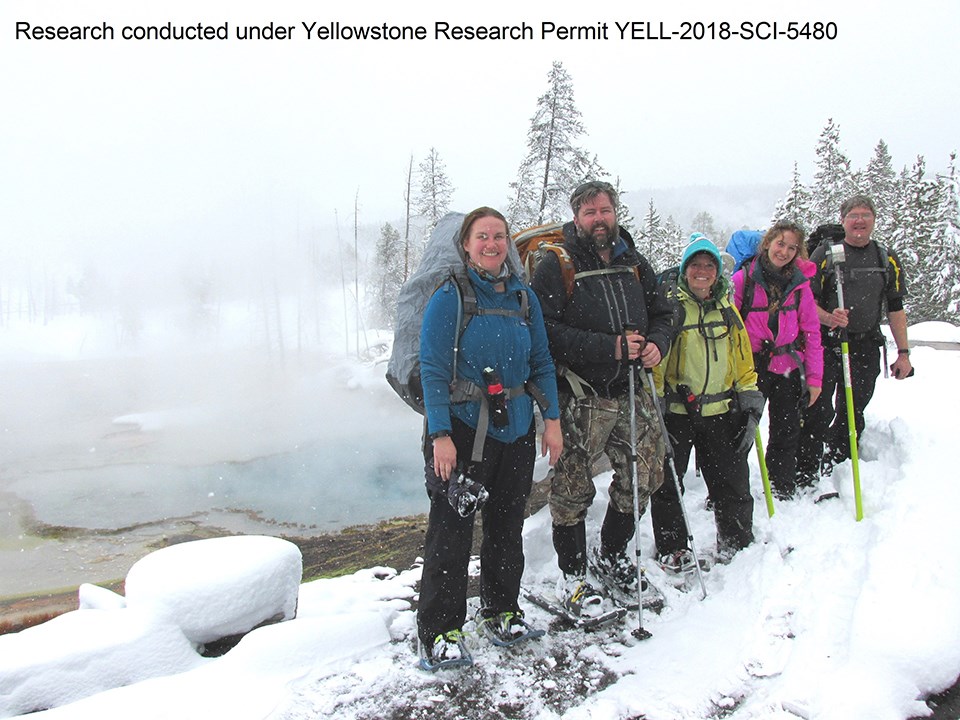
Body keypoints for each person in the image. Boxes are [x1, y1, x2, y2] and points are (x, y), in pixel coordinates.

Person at [417, 207, 563, 669]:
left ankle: (502, 610)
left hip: (516, 429)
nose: (492, 244)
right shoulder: (450, 296)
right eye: (483, 236)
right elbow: (433, 370)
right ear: (466, 244)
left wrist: (552, 419)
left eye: (499, 236)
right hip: (461, 432)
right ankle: (439, 629)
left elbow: (540, 360)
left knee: (506, 525)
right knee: (451, 530)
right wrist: (440, 434)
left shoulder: (523, 298)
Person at [529, 180, 676, 612]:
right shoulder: (557, 265)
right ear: (577, 218)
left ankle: (612, 556)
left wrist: (658, 343)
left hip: (634, 390)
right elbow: (546, 332)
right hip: (584, 395)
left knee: (643, 477)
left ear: (616, 213)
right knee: (572, 488)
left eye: (605, 210)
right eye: (589, 212)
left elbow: (665, 311)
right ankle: (574, 577)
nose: (599, 219)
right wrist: (607, 347)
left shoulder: (633, 261)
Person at [651, 236, 763, 566]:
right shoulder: (671, 311)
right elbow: (658, 363)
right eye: (696, 265)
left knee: (731, 481)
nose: (702, 271)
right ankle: (673, 547)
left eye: (709, 265)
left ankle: (736, 540)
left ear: (717, 272)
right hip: (677, 412)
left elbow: (742, 360)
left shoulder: (727, 310)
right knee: (669, 483)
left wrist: (749, 395)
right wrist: (654, 403)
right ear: (685, 270)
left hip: (721, 410)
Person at [796, 196, 912, 484]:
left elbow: (895, 307)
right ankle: (808, 462)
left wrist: (904, 352)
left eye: (865, 215)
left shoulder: (886, 258)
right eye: (853, 215)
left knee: (855, 405)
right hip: (826, 344)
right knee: (819, 406)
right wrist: (829, 318)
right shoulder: (825, 254)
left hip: (866, 343)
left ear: (873, 219)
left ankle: (842, 456)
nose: (859, 221)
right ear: (843, 219)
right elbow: (805, 301)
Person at [732, 221, 823, 500]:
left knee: (786, 430)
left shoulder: (800, 285)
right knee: (741, 433)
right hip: (752, 368)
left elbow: (811, 331)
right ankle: (731, 490)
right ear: (768, 242)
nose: (783, 251)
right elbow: (729, 330)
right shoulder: (743, 279)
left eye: (791, 247)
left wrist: (815, 379)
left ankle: (780, 486)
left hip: (789, 366)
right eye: (780, 243)